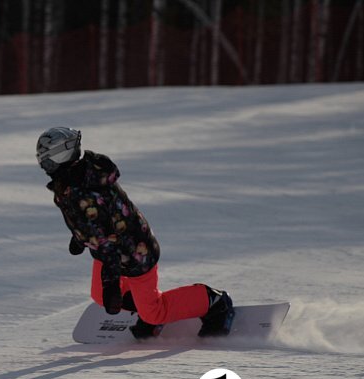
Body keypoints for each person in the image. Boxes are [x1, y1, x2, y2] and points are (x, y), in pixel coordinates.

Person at [36, 126, 234, 338]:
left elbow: (104, 235)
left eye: (47, 161)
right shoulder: (73, 181)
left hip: (135, 251)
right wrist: (80, 238)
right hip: (109, 249)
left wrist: (112, 284)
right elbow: (91, 221)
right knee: (100, 295)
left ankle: (213, 301)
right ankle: (142, 307)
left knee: (154, 313)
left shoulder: (84, 190)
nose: (44, 166)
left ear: (62, 156)